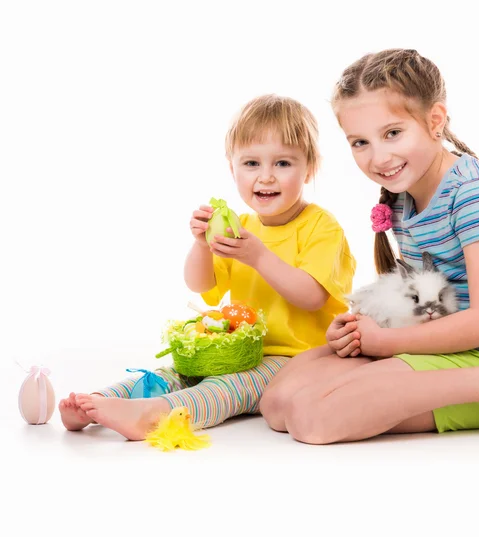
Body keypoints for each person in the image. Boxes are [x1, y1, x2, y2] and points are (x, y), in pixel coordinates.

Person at [260, 49, 479, 447]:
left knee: (310, 418)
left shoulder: (474, 195)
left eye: (392, 134)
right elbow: (418, 295)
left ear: (435, 121)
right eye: (360, 142)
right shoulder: (405, 197)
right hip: (434, 344)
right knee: (278, 401)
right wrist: (359, 331)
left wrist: (384, 344)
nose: (378, 157)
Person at [58, 94, 356, 440]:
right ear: (232, 168)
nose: (266, 177)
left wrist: (259, 257)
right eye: (251, 164)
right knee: (177, 370)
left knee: (227, 387)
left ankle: (152, 417)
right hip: (232, 349)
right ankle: (102, 399)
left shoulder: (321, 226)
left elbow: (311, 296)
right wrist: (201, 245)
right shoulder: (239, 224)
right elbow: (201, 285)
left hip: (294, 358)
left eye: (283, 163)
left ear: (310, 169)